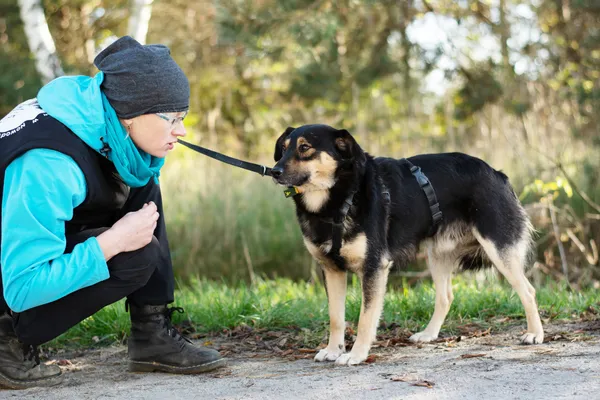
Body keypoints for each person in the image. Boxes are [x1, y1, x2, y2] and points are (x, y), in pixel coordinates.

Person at [0, 36, 225, 390]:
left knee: (141, 179)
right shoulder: (48, 163)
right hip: (14, 274)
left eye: (184, 117)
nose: (181, 131)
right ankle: (6, 340)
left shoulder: (110, 126)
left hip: (23, 245)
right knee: (130, 248)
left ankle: (151, 334)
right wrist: (111, 243)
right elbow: (22, 286)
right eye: (172, 118)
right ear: (132, 113)